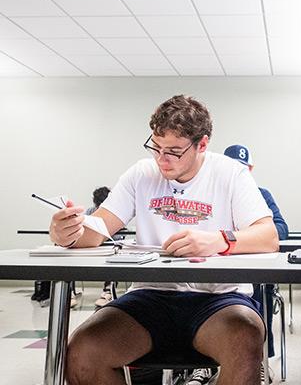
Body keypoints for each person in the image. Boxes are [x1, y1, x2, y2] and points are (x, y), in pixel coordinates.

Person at [48, 95, 279, 385]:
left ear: (202, 144)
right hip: (151, 297)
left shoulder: (229, 173)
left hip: (218, 299)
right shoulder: (141, 174)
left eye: (173, 151)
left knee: (246, 338)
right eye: (155, 147)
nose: (161, 159)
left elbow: (268, 235)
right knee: (83, 351)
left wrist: (219, 241)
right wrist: (67, 234)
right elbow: (96, 231)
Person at [224, 144, 288, 382]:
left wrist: (245, 237)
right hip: (220, 265)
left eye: (242, 168)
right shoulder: (214, 193)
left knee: (263, 288)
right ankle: (204, 366)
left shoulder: (261, 194)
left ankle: (260, 358)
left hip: (253, 265)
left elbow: (281, 228)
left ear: (250, 169)